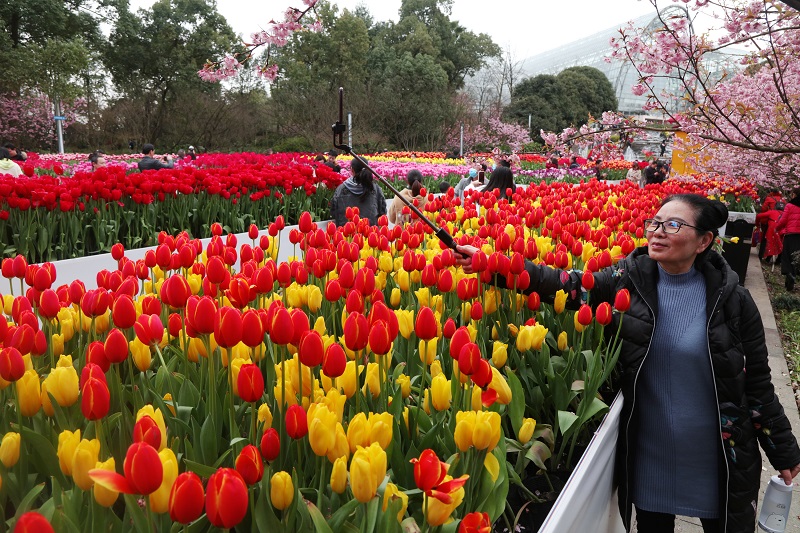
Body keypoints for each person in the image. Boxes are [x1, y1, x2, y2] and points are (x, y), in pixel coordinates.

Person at [456, 193, 800, 533]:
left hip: (719, 457)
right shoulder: (628, 280)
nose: (658, 231)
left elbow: (757, 384)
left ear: (704, 240)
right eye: (656, 222)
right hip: (652, 452)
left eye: (674, 224)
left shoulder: (734, 303)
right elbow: (565, 285)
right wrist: (492, 264)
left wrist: (783, 449)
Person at [329, 158, 387, 226]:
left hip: (346, 232)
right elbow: (383, 211)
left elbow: (334, 212)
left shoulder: (341, 189)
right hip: (371, 232)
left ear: (352, 170)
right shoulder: (375, 189)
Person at [775, 187, 800, 291]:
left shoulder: (790, 205)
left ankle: (788, 274)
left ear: (794, 195)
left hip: (790, 234)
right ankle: (793, 277)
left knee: (787, 256)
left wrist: (777, 228)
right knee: (796, 257)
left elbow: (783, 220)